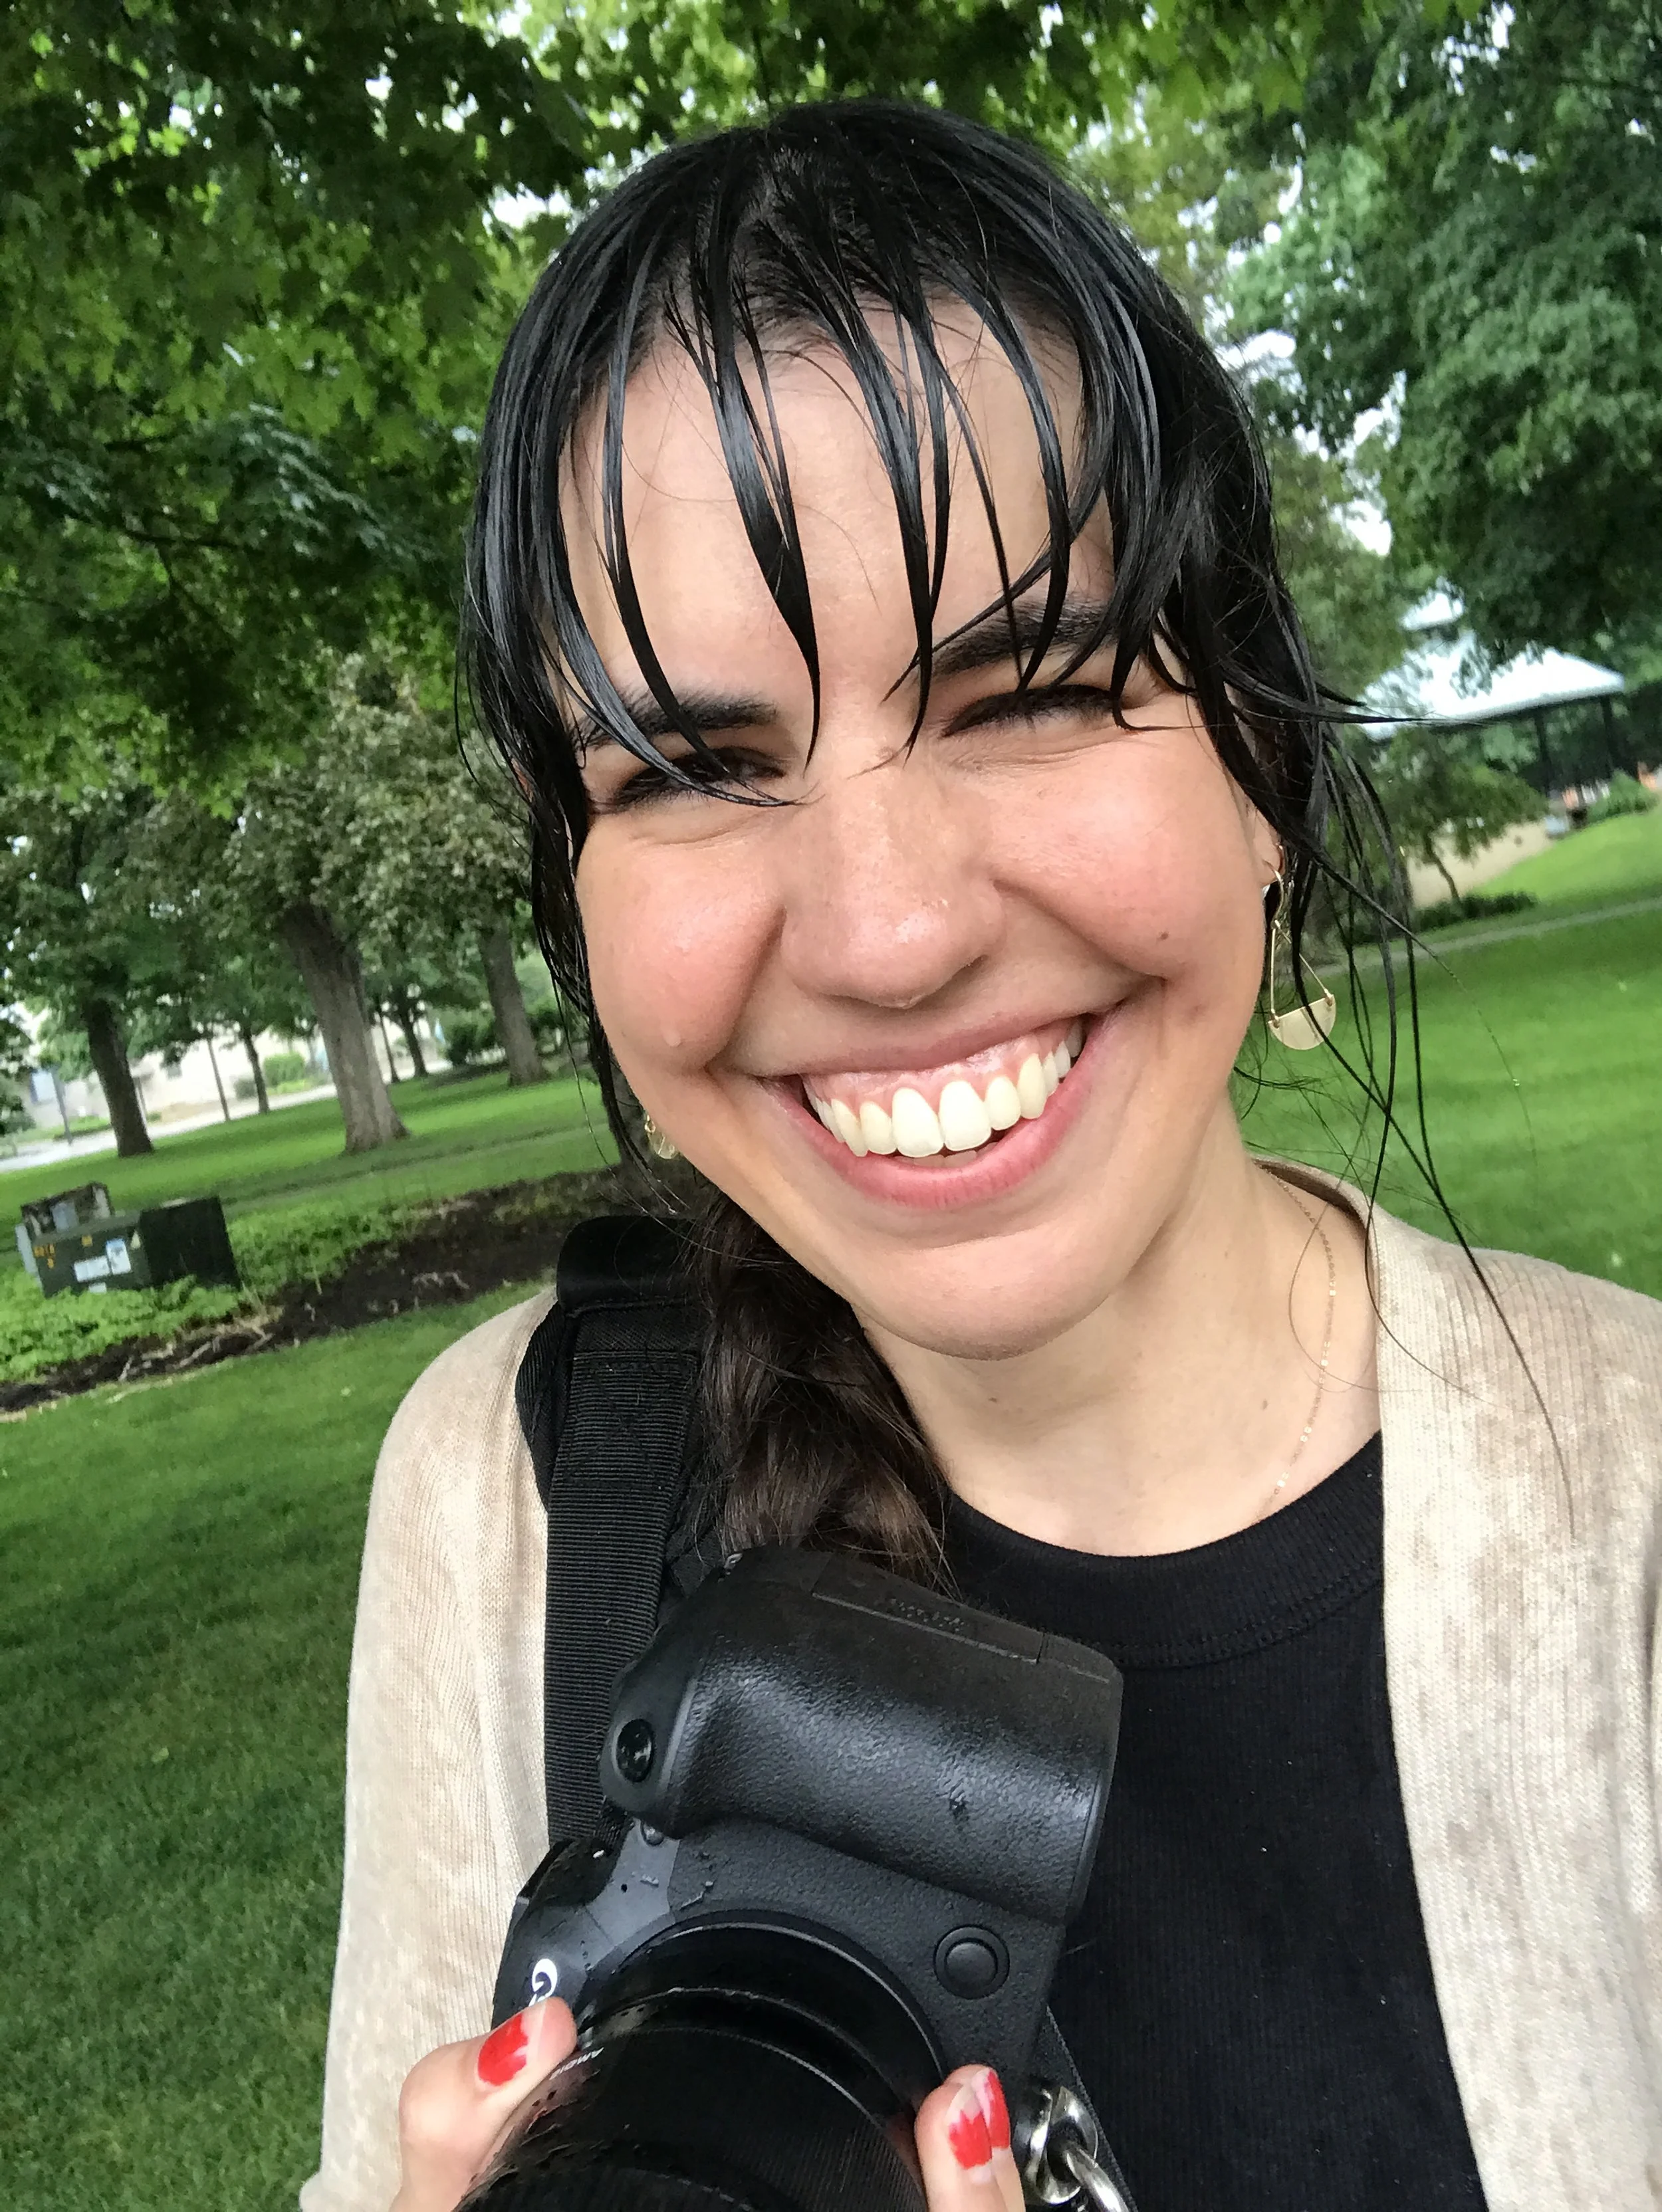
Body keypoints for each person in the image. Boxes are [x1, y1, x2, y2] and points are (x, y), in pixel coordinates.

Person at [300, 102, 1662, 2212]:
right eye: (691, 766)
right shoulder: (513, 1497)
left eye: (1027, 689)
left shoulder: (1633, 1517)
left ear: (1262, 749)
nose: (887, 932)